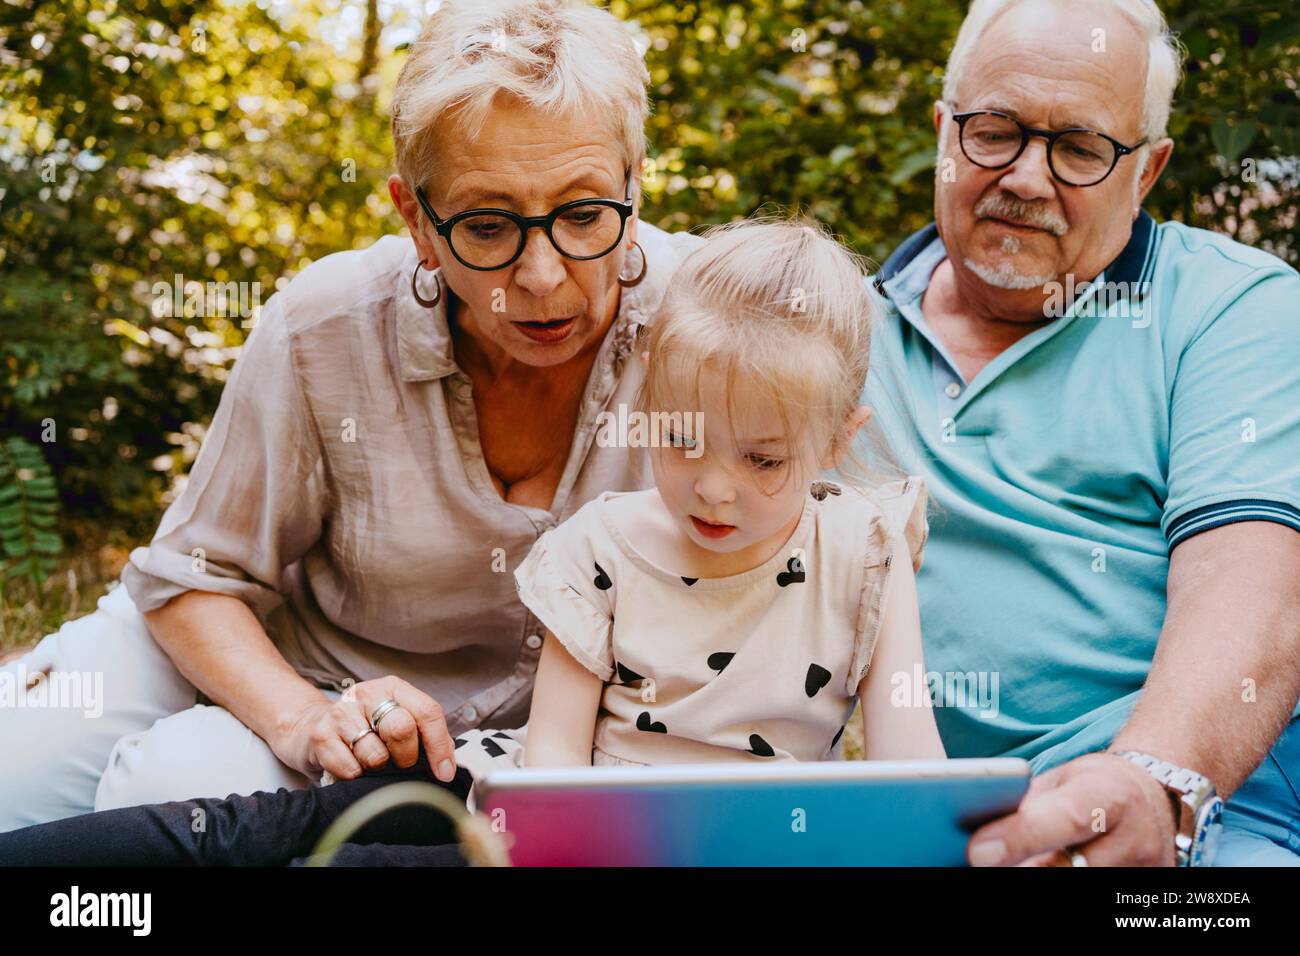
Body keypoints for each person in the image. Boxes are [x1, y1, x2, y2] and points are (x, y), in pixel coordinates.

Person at [0, 219, 946, 865]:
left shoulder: (866, 552)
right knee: (245, 837)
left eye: (765, 460)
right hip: (518, 811)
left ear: (836, 441)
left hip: (733, 840)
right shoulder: (601, 548)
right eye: (681, 437)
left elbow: (914, 775)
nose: (712, 485)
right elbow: (554, 777)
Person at [0, 0, 704, 833]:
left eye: (584, 214)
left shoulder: (714, 325)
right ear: (417, 220)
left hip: (550, 730)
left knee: (169, 796)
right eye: (486, 226)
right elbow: (195, 580)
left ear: (636, 181)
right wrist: (299, 718)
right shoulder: (323, 323)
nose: (543, 277)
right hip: (286, 660)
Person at [863, 0, 1300, 866]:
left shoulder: (1233, 308)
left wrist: (1152, 782)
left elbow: (1253, 589)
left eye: (1079, 148)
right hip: (904, 825)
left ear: (1147, 172)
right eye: (996, 131)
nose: (1026, 179)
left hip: (1192, 828)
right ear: (944, 132)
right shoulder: (837, 335)